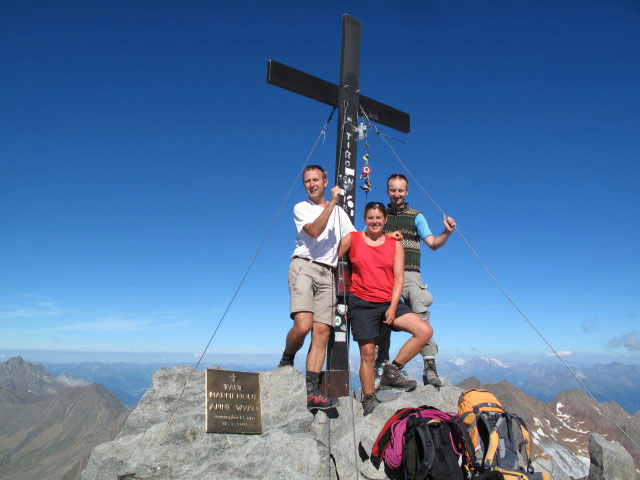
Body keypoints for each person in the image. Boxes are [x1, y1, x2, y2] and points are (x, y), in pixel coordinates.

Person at [338, 202, 433, 416]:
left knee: (424, 331)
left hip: (388, 301)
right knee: (368, 354)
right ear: (365, 219)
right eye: (370, 217)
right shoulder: (352, 239)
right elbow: (332, 256)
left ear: (385, 220)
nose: (374, 221)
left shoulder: (394, 244)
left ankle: (393, 370)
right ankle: (369, 398)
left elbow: (399, 278)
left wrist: (392, 307)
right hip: (361, 302)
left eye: (378, 218)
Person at [278, 165, 356, 411]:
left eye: (315, 180)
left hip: (328, 273)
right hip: (304, 266)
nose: (311, 184)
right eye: (307, 181)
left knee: (322, 332)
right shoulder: (301, 208)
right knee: (303, 325)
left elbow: (350, 237)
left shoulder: (340, 213)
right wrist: (332, 203)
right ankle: (287, 358)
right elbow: (314, 231)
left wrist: (334, 256)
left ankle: (311, 391)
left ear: (325, 181)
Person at [375, 173, 456, 389]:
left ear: (407, 191)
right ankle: (381, 367)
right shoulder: (380, 215)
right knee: (383, 318)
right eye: (393, 190)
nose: (397, 194)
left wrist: (446, 233)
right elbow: (369, 238)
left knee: (421, 313)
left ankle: (429, 366)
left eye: (400, 190)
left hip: (410, 273)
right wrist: (387, 236)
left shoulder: (416, 216)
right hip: (384, 274)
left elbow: (433, 243)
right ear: (387, 191)